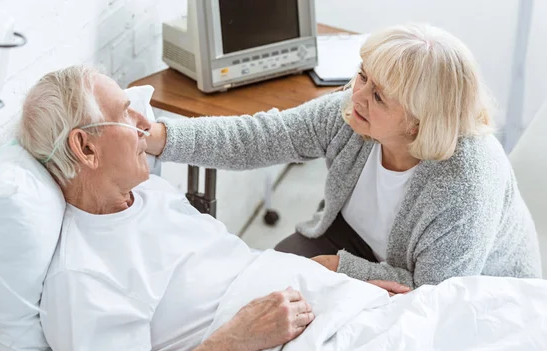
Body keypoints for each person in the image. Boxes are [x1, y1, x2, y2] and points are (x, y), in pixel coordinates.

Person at [19, 65, 348, 351]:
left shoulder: (151, 193)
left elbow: (230, 269)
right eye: (125, 113)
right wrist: (236, 338)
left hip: (322, 308)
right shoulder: (84, 276)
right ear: (86, 149)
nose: (143, 123)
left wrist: (322, 273)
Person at [145, 23, 541, 289]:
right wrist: (162, 137)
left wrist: (340, 269)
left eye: (379, 96)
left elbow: (431, 297)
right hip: (354, 239)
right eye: (363, 74)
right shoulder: (352, 113)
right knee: (261, 286)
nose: (357, 95)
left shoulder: (465, 184)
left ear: (419, 124)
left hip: (468, 293)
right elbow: (264, 136)